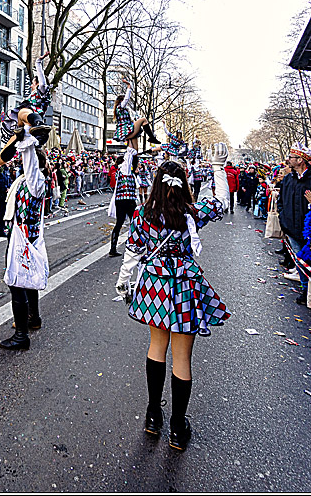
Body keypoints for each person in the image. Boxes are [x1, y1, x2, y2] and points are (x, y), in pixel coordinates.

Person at [126, 147, 231, 451]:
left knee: (156, 347)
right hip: (185, 284)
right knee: (182, 357)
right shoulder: (192, 213)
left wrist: (124, 280)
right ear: (184, 184)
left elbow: (133, 249)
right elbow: (223, 201)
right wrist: (218, 167)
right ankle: (176, 427)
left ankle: (152, 415)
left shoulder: (143, 214)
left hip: (155, 283)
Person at [0, 125, 51, 351]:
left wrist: (27, 139)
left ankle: (21, 336)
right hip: (21, 236)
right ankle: (33, 318)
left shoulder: (35, 182)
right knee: (26, 281)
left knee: (17, 283)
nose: (21, 162)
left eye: (24, 160)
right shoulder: (24, 181)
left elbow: (29, 159)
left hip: (25, 239)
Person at [277, 145, 311, 285]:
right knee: (300, 262)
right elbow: (281, 201)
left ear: (300, 160)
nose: (288, 160)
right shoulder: (288, 179)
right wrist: (283, 218)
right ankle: (305, 289)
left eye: (291, 157)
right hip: (291, 228)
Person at [108, 153, 138, 259]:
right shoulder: (125, 171)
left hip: (120, 200)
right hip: (128, 200)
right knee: (134, 222)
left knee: (119, 223)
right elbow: (130, 157)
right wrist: (133, 154)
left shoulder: (120, 172)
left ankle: (113, 248)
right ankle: (134, 245)